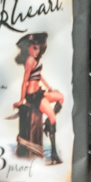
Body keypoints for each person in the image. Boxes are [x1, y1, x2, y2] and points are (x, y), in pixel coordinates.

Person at [12, 33, 64, 164]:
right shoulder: (30, 60)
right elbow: (25, 81)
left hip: (39, 93)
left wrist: (49, 88)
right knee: (52, 117)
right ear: (29, 47)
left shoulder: (35, 60)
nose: (36, 51)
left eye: (38, 48)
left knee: (60, 97)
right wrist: (21, 99)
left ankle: (47, 124)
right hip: (33, 97)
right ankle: (54, 154)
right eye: (34, 48)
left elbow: (39, 76)